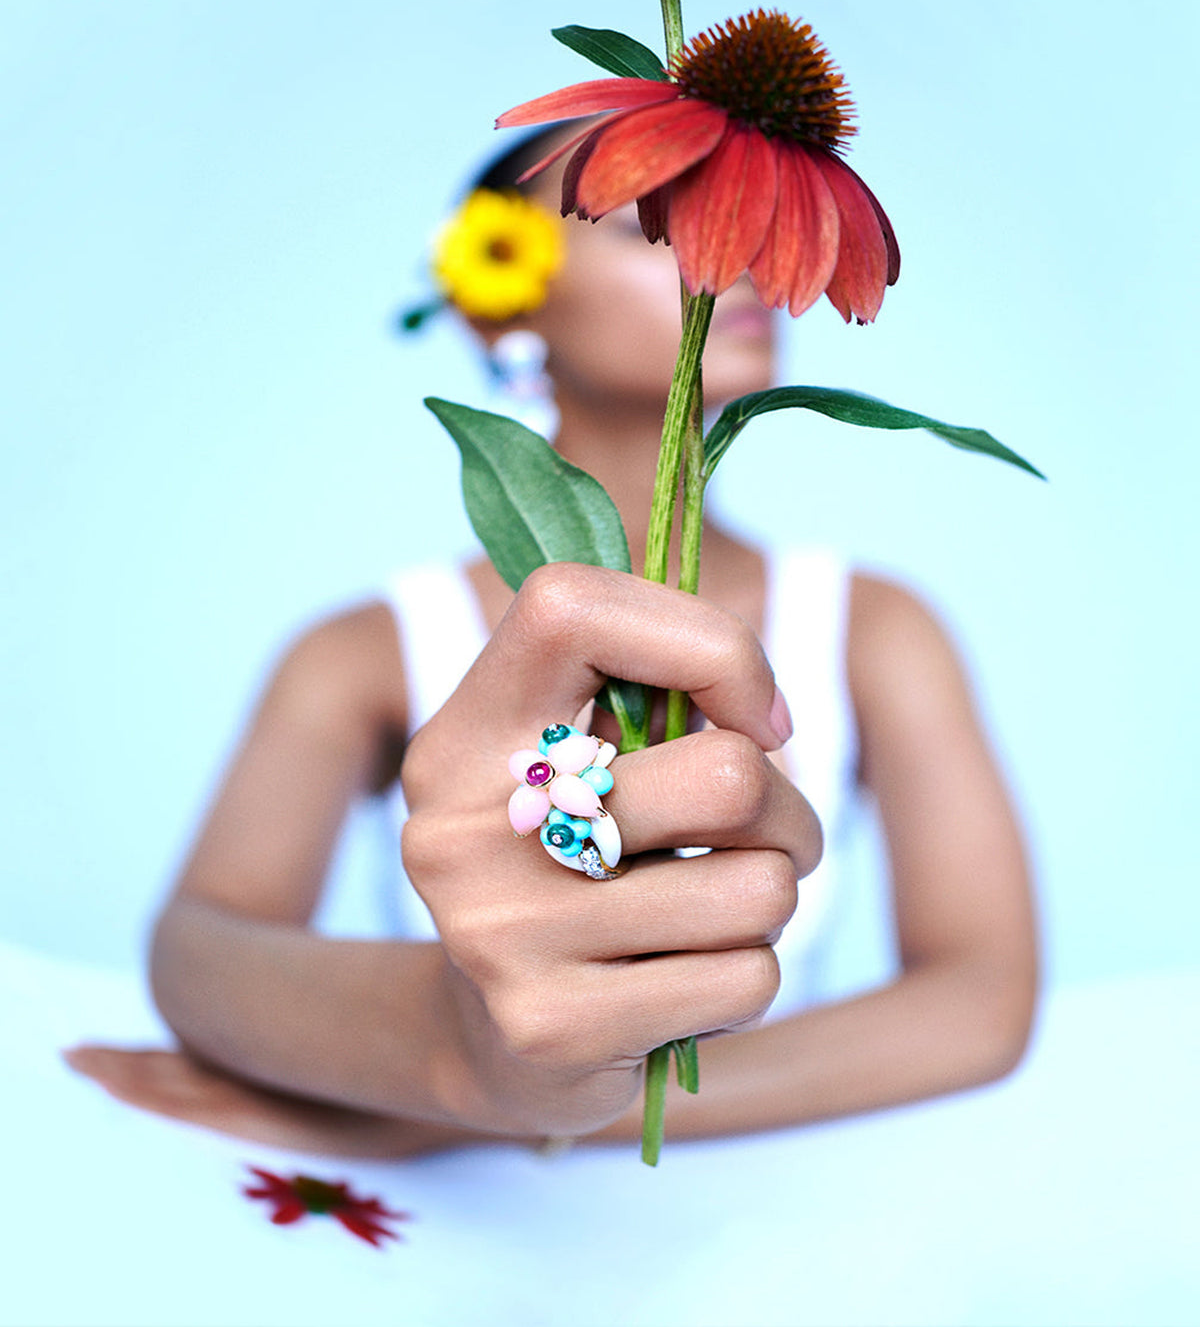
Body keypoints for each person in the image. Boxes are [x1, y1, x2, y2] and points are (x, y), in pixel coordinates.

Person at [65, 129, 1038, 1159]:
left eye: (745, 223)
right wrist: (468, 1062)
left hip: (767, 1218)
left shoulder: (877, 626)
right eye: (653, 226)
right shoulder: (360, 651)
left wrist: (457, 1111)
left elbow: (981, 1002)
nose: (738, 259)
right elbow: (201, 952)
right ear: (504, 294)